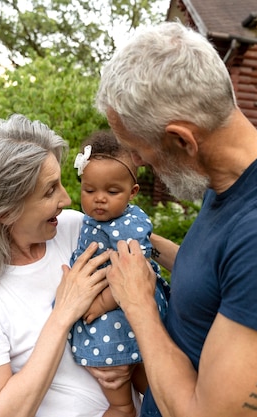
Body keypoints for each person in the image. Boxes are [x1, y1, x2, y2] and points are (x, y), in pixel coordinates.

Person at [94, 21, 257, 417]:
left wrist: (138, 303)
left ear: (182, 140)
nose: (140, 165)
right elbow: (218, 276)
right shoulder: (228, 180)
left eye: (139, 150)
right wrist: (142, 244)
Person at [0, 114, 136, 417]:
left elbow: (142, 259)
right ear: (4, 211)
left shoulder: (74, 229)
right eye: (49, 190)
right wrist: (62, 315)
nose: (66, 198)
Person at [68, 130, 169, 417]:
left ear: (132, 192)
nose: (99, 199)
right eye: (89, 190)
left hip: (120, 306)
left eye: (112, 192)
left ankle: (121, 406)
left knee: (113, 357)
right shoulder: (90, 219)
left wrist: (100, 303)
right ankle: (155, 403)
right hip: (110, 301)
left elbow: (136, 273)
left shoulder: (128, 226)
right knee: (139, 373)